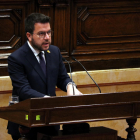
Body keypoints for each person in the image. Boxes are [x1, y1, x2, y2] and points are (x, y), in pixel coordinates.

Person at [7, 13, 82, 140]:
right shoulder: (16, 58)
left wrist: (70, 86)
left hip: (50, 122)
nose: (47, 37)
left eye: (49, 32)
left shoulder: (54, 52)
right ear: (29, 36)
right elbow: (23, 90)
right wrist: (49, 101)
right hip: (26, 124)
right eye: (42, 34)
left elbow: (62, 78)